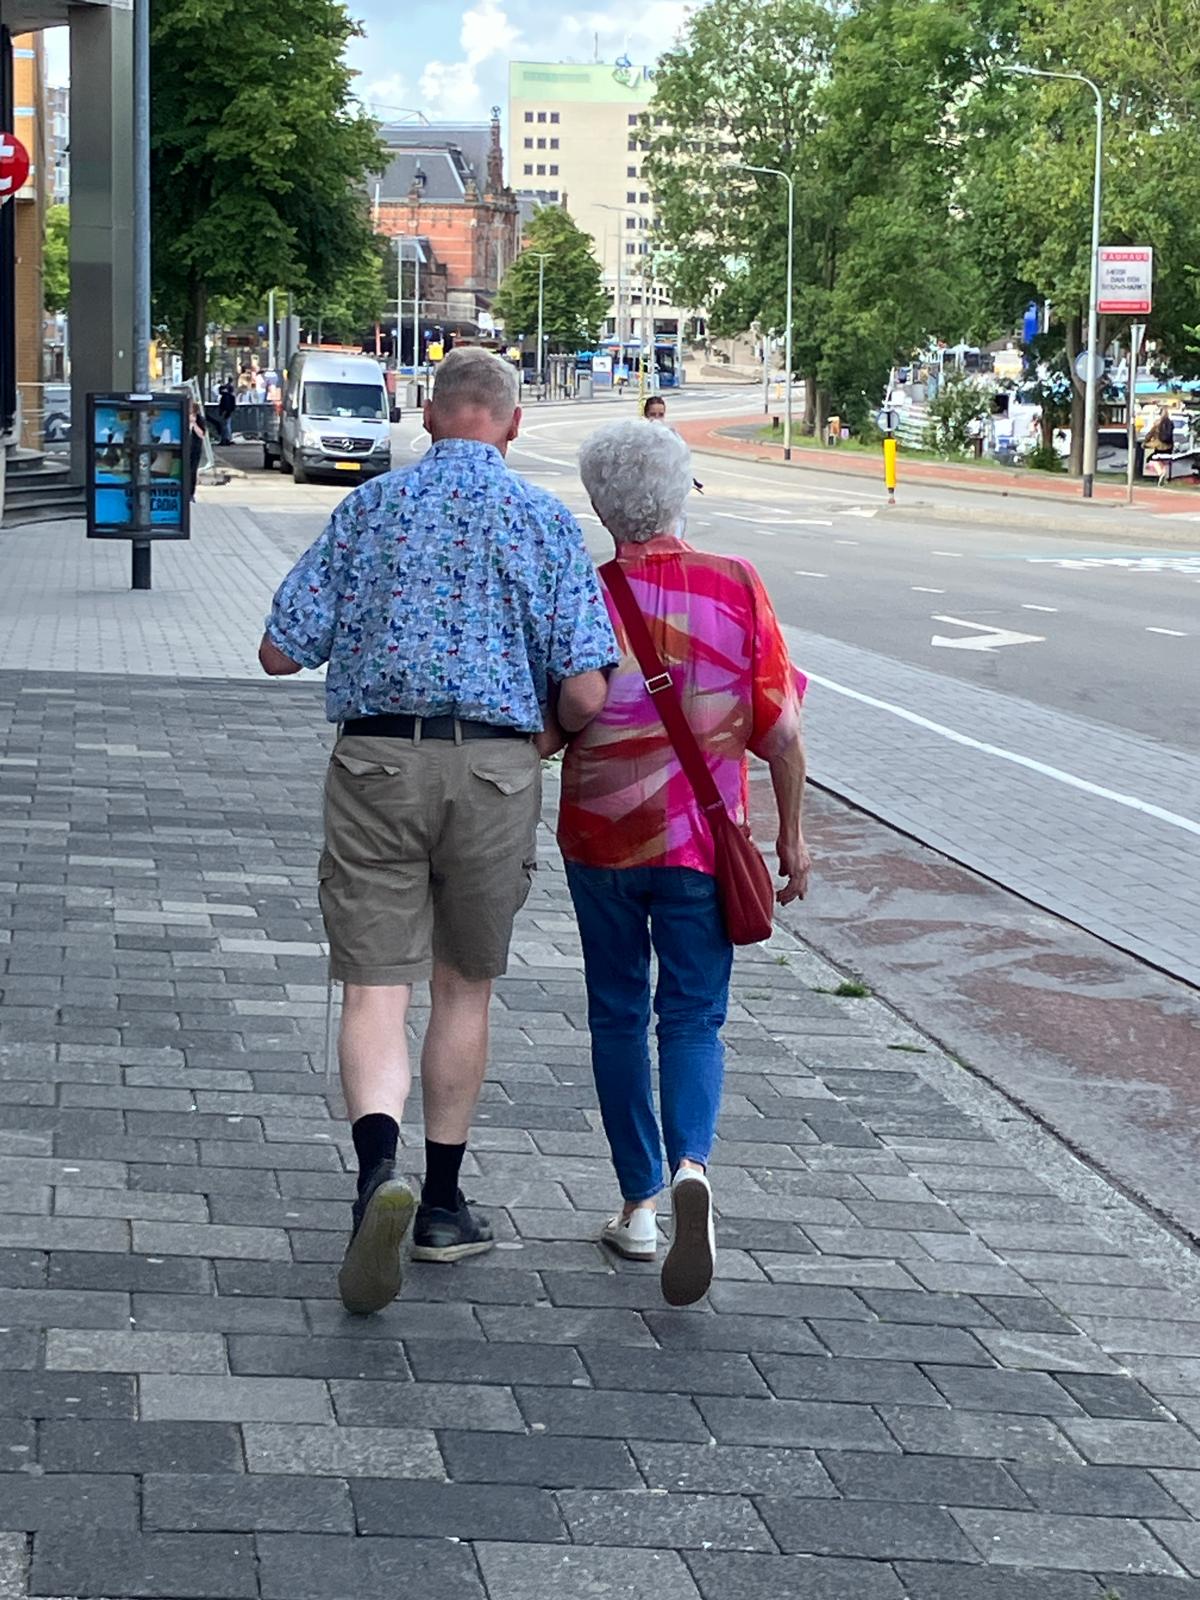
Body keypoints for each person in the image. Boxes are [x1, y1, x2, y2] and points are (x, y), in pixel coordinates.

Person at [258, 348, 618, 1316]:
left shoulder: (370, 509)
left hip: (376, 761)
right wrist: (535, 740)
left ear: (426, 416)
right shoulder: (544, 524)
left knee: (375, 988)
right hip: (496, 771)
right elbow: (588, 690)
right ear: (510, 425)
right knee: (465, 989)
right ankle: (444, 1206)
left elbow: (277, 650)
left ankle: (379, 1169)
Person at [555, 420, 811, 1307]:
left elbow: (557, 723)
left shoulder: (585, 595)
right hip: (706, 840)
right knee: (695, 1016)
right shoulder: (736, 584)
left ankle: (639, 1206)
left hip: (601, 839)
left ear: (599, 505)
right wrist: (791, 835)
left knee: (619, 1015)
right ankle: (693, 1160)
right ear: (681, 494)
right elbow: (780, 727)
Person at [643, 393, 702, 492]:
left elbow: (680, 461)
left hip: (663, 490)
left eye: (661, 415)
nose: (657, 418)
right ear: (646, 415)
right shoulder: (638, 436)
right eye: (653, 415)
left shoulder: (671, 436)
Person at [187, 401, 207, 500]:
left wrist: (194, 423)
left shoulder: (199, 420)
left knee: (192, 471)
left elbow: (202, 435)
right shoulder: (182, 418)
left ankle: (191, 493)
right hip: (185, 449)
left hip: (195, 449)